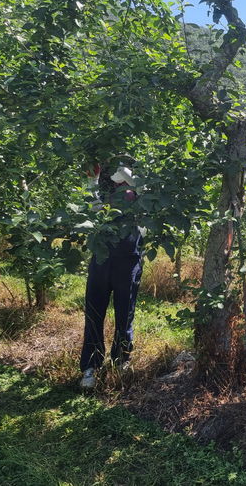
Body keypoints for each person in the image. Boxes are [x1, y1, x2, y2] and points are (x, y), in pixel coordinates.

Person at [79, 161, 143, 389]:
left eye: (125, 176)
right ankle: (90, 367)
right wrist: (92, 180)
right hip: (101, 263)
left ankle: (121, 360)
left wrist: (130, 177)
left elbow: (145, 198)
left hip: (128, 264)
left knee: (125, 314)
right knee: (94, 313)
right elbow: (92, 208)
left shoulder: (140, 199)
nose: (121, 181)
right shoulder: (108, 198)